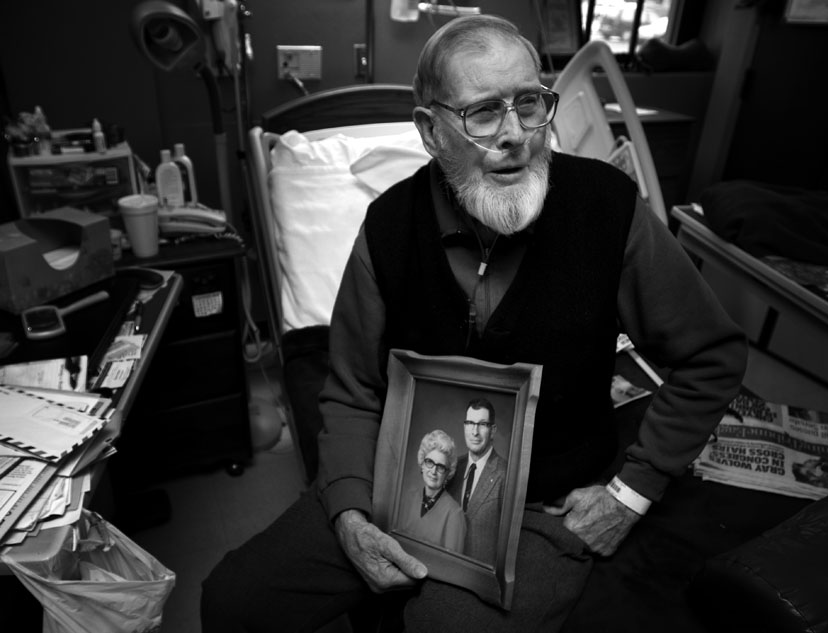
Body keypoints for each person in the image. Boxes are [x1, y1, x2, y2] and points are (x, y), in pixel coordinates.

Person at [202, 14, 747, 633]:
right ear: (431, 132)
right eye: (484, 112)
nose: (516, 134)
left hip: (546, 502)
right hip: (400, 484)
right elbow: (353, 391)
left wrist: (630, 492)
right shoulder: (387, 230)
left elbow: (712, 354)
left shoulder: (608, 209)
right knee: (233, 599)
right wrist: (351, 514)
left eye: (529, 104)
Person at [446, 398, 507, 563]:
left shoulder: (505, 474)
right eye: (470, 423)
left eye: (482, 424)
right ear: (464, 426)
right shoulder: (452, 467)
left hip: (482, 578)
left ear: (492, 430)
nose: (475, 432)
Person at [396, 429, 466, 552]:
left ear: (448, 473)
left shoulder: (454, 515)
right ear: (422, 464)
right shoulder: (408, 498)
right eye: (429, 462)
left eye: (440, 467)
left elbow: (452, 567)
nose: (433, 471)